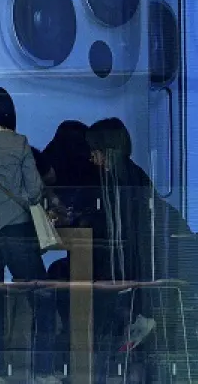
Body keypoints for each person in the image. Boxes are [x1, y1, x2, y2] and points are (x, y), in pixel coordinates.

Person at [0, 87, 55, 384]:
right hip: (16, 230)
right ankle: (43, 371)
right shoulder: (18, 143)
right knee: (43, 297)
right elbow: (33, 191)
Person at [86, 118, 159, 353]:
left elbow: (110, 229)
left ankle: (88, 352)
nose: (91, 158)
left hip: (122, 268)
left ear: (105, 151)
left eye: (94, 151)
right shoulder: (133, 175)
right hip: (137, 264)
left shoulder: (115, 183)